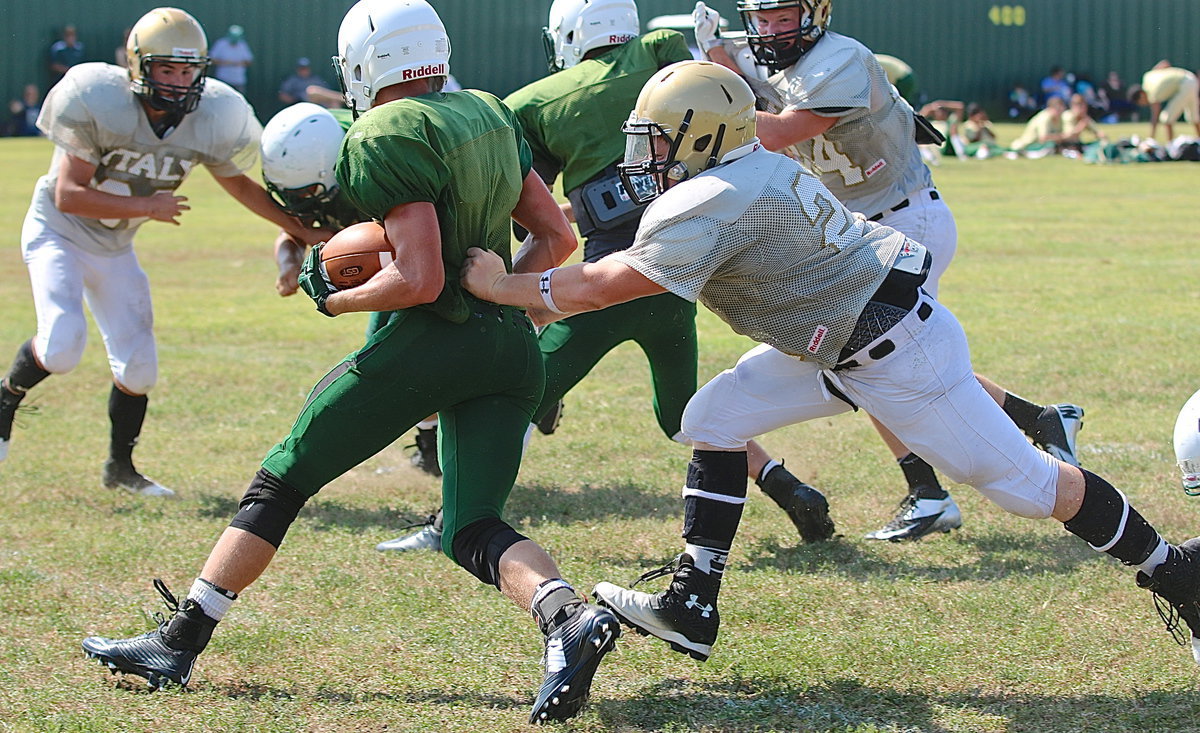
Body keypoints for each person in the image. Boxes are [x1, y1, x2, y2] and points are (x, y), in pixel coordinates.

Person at [461, 59, 1200, 669]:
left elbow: (601, 285)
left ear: (704, 136)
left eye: (658, 140)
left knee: (1032, 488)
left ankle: (1177, 570)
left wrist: (499, 284)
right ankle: (692, 601)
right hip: (837, 337)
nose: (645, 157)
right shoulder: (746, 162)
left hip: (892, 352)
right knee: (712, 417)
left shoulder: (713, 194)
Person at [81, 2, 619, 724]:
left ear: (367, 64)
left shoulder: (384, 130)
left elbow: (420, 278)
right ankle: (568, 620)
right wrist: (500, 291)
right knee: (471, 525)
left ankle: (177, 643)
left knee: (283, 475)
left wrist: (334, 298)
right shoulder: (489, 108)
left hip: (431, 344)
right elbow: (555, 235)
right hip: (511, 346)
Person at [378, 0, 836, 555]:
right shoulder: (663, 62)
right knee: (682, 413)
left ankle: (451, 518)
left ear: (567, 35)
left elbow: (523, 202)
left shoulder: (538, 101)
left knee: (508, 399)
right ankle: (790, 489)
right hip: (672, 283)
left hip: (612, 279)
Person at [694, 0, 1083, 541]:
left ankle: (937, 490)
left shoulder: (840, 58)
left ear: (814, 14)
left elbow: (780, 130)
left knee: (874, 360)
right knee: (898, 359)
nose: (771, 30)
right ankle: (1034, 422)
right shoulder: (784, 62)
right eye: (762, 20)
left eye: (783, 17)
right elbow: (754, 92)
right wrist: (717, 54)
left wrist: (699, 102)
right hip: (866, 228)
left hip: (903, 218)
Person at [0, 7, 322, 496]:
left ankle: (120, 469)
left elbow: (238, 186)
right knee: (63, 345)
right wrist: (147, 204)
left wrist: (302, 230)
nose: (177, 81)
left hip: (115, 247)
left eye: (187, 70)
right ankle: (6, 398)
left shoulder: (212, 114)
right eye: (166, 69)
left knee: (139, 368)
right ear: (139, 67)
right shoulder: (99, 98)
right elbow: (68, 193)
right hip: (59, 233)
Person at [260, 101, 440, 480]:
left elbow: (416, 245)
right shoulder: (311, 162)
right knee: (389, 355)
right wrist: (288, 265)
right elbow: (292, 229)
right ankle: (429, 443)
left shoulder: (377, 169)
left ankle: (437, 442)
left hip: (428, 254)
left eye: (305, 192)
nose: (297, 203)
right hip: (400, 259)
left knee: (393, 351)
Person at [1133, 61, 1200, 141]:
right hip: (1191, 77)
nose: (1144, 104)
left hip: (1185, 84)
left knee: (1166, 118)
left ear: (1141, 95)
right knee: (1194, 117)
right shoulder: (1147, 76)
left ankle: (1170, 145)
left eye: (1141, 102)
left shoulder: (1152, 94)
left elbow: (1155, 116)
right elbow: (1165, 63)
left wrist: (1151, 138)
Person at [208, 25, 253, 95]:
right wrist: (224, 63)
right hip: (223, 79)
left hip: (238, 80)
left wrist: (238, 63)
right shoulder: (221, 44)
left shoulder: (242, 45)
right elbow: (211, 59)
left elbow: (249, 61)